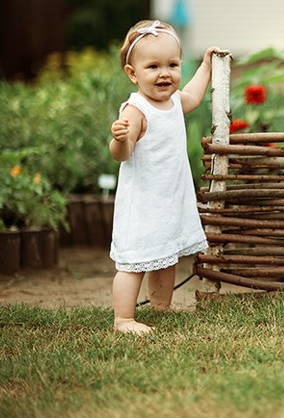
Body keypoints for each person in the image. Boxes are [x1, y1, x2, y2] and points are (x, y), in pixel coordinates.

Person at [109, 19, 222, 334]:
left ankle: (161, 307)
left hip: (169, 197)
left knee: (165, 253)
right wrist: (120, 138)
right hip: (143, 201)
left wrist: (206, 67)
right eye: (153, 66)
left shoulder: (173, 102)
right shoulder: (136, 110)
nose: (165, 73)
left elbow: (194, 96)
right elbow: (123, 153)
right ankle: (124, 318)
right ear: (133, 74)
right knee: (135, 260)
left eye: (173, 65)